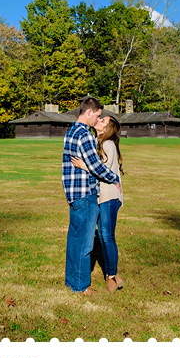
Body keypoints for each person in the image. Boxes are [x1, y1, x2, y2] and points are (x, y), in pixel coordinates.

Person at [62, 96, 121, 295]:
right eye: (97, 115)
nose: (97, 119)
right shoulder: (85, 134)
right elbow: (96, 166)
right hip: (86, 194)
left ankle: (71, 281)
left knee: (74, 239)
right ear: (89, 112)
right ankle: (81, 286)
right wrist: (114, 178)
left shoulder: (70, 132)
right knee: (84, 244)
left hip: (73, 194)